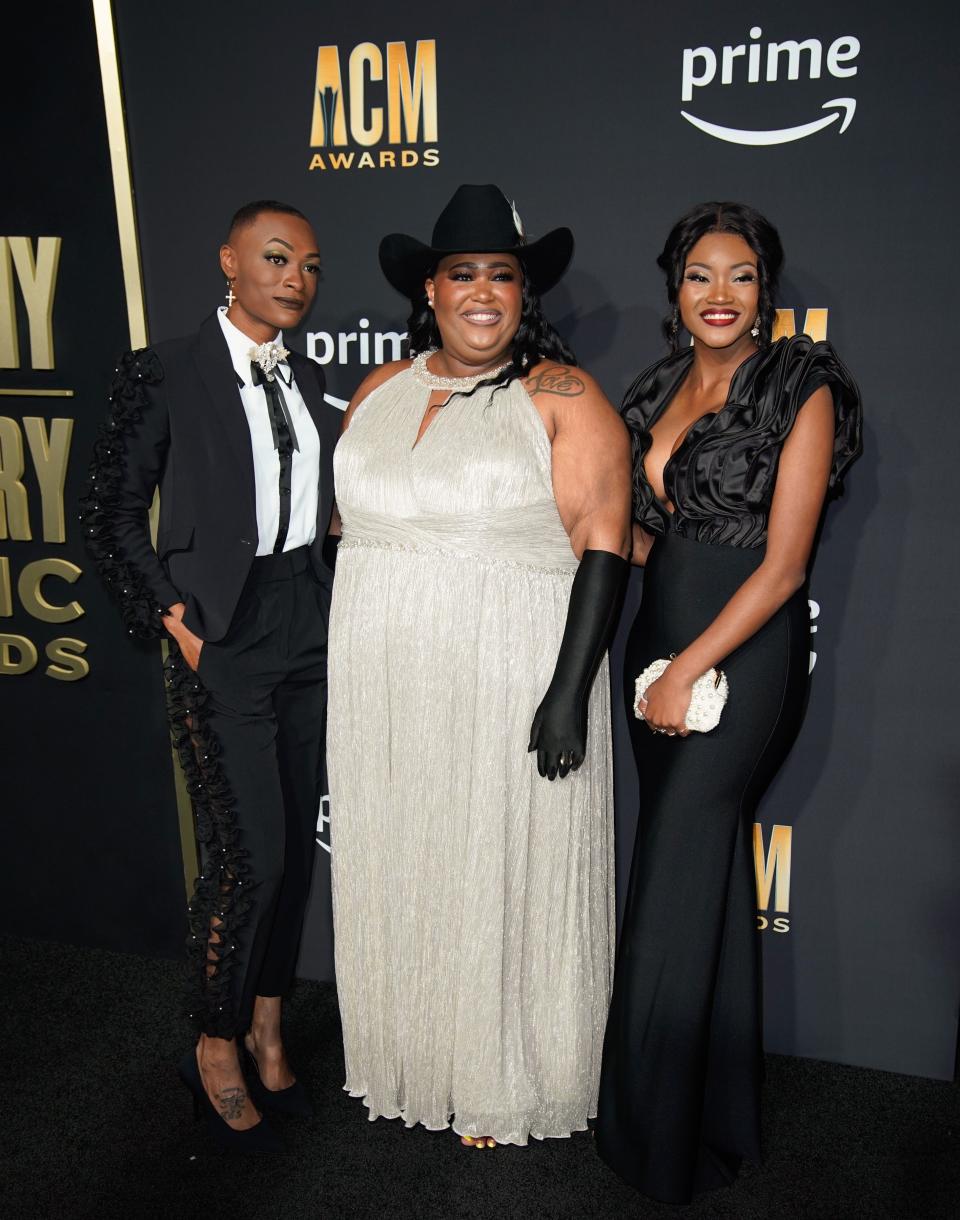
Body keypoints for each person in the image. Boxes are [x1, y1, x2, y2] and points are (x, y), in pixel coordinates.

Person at [327, 184, 631, 1148]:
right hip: (386, 683)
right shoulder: (378, 389)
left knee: (501, 872)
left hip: (511, 672)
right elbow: (352, 530)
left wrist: (567, 693)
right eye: (464, 274)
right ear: (431, 286)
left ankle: (503, 1076)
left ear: (523, 291)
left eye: (502, 275)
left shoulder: (564, 395)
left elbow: (604, 543)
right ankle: (416, 1050)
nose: (483, 293)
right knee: (411, 858)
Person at [595, 202, 862, 1202]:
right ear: (675, 286)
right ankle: (713, 1112)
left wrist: (685, 665)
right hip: (657, 643)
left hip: (739, 655)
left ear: (767, 289)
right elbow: (647, 536)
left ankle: (653, 1138)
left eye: (740, 274)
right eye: (700, 274)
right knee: (693, 874)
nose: (719, 293)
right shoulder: (654, 386)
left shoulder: (803, 384)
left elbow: (786, 564)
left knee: (673, 872)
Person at [80, 201, 341, 1151]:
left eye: (312, 267)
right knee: (250, 860)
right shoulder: (164, 371)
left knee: (294, 862)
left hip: (308, 624)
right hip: (221, 634)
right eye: (277, 259)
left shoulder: (310, 379)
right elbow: (107, 512)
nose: (297, 280)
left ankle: (270, 1023)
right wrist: (175, 623)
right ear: (227, 261)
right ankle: (215, 1042)